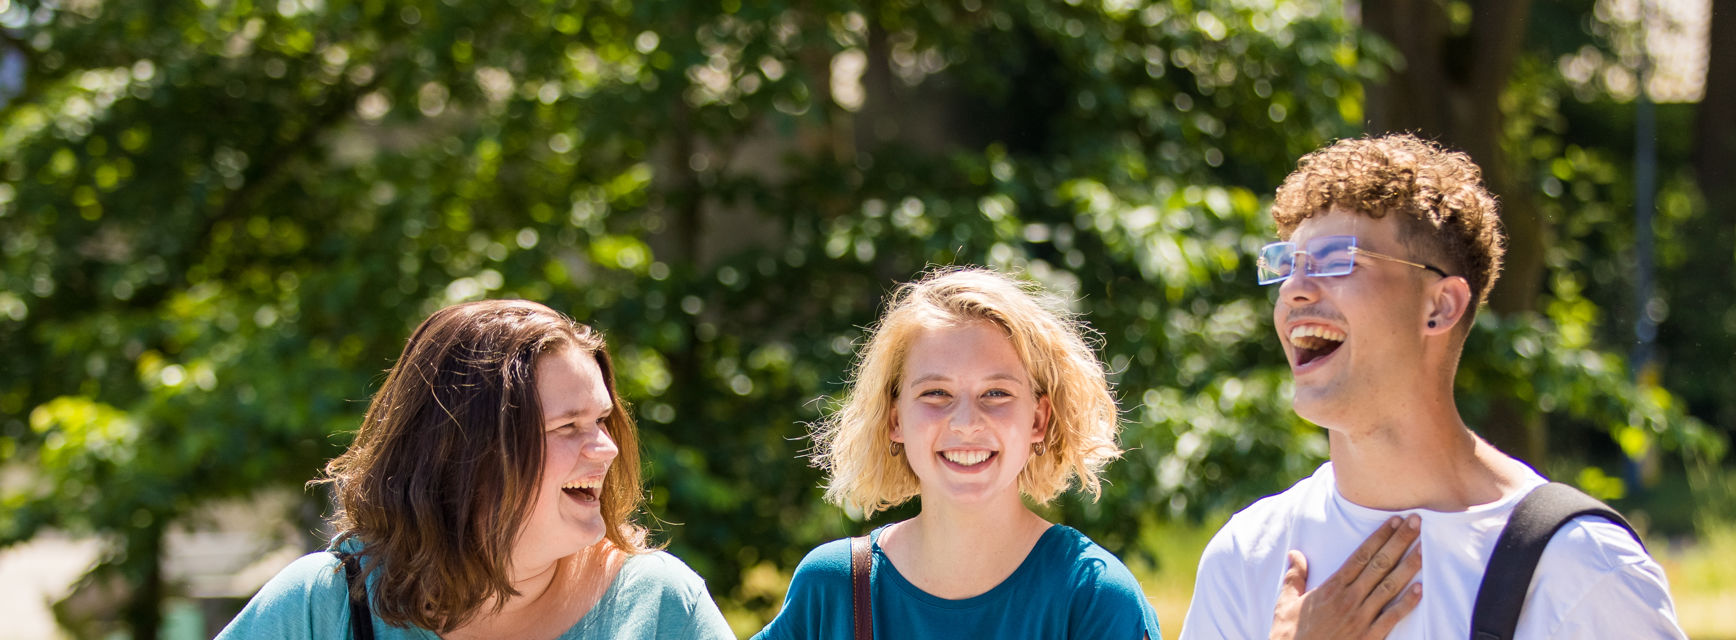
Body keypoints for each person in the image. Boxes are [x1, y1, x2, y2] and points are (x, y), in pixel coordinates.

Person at [1181, 134, 1686, 639]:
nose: (1294, 290)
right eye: (1286, 266)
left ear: (1440, 306)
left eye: (1337, 260)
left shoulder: (1582, 570)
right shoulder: (1246, 556)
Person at [218, 300, 732, 639]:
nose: (606, 448)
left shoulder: (661, 606)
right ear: (463, 450)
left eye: (601, 420)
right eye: (568, 426)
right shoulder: (324, 602)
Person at [755, 267, 1162, 640]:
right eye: (936, 393)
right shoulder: (834, 588)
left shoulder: (1093, 594)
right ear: (894, 418)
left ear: (1038, 419)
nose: (966, 422)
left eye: (996, 393)